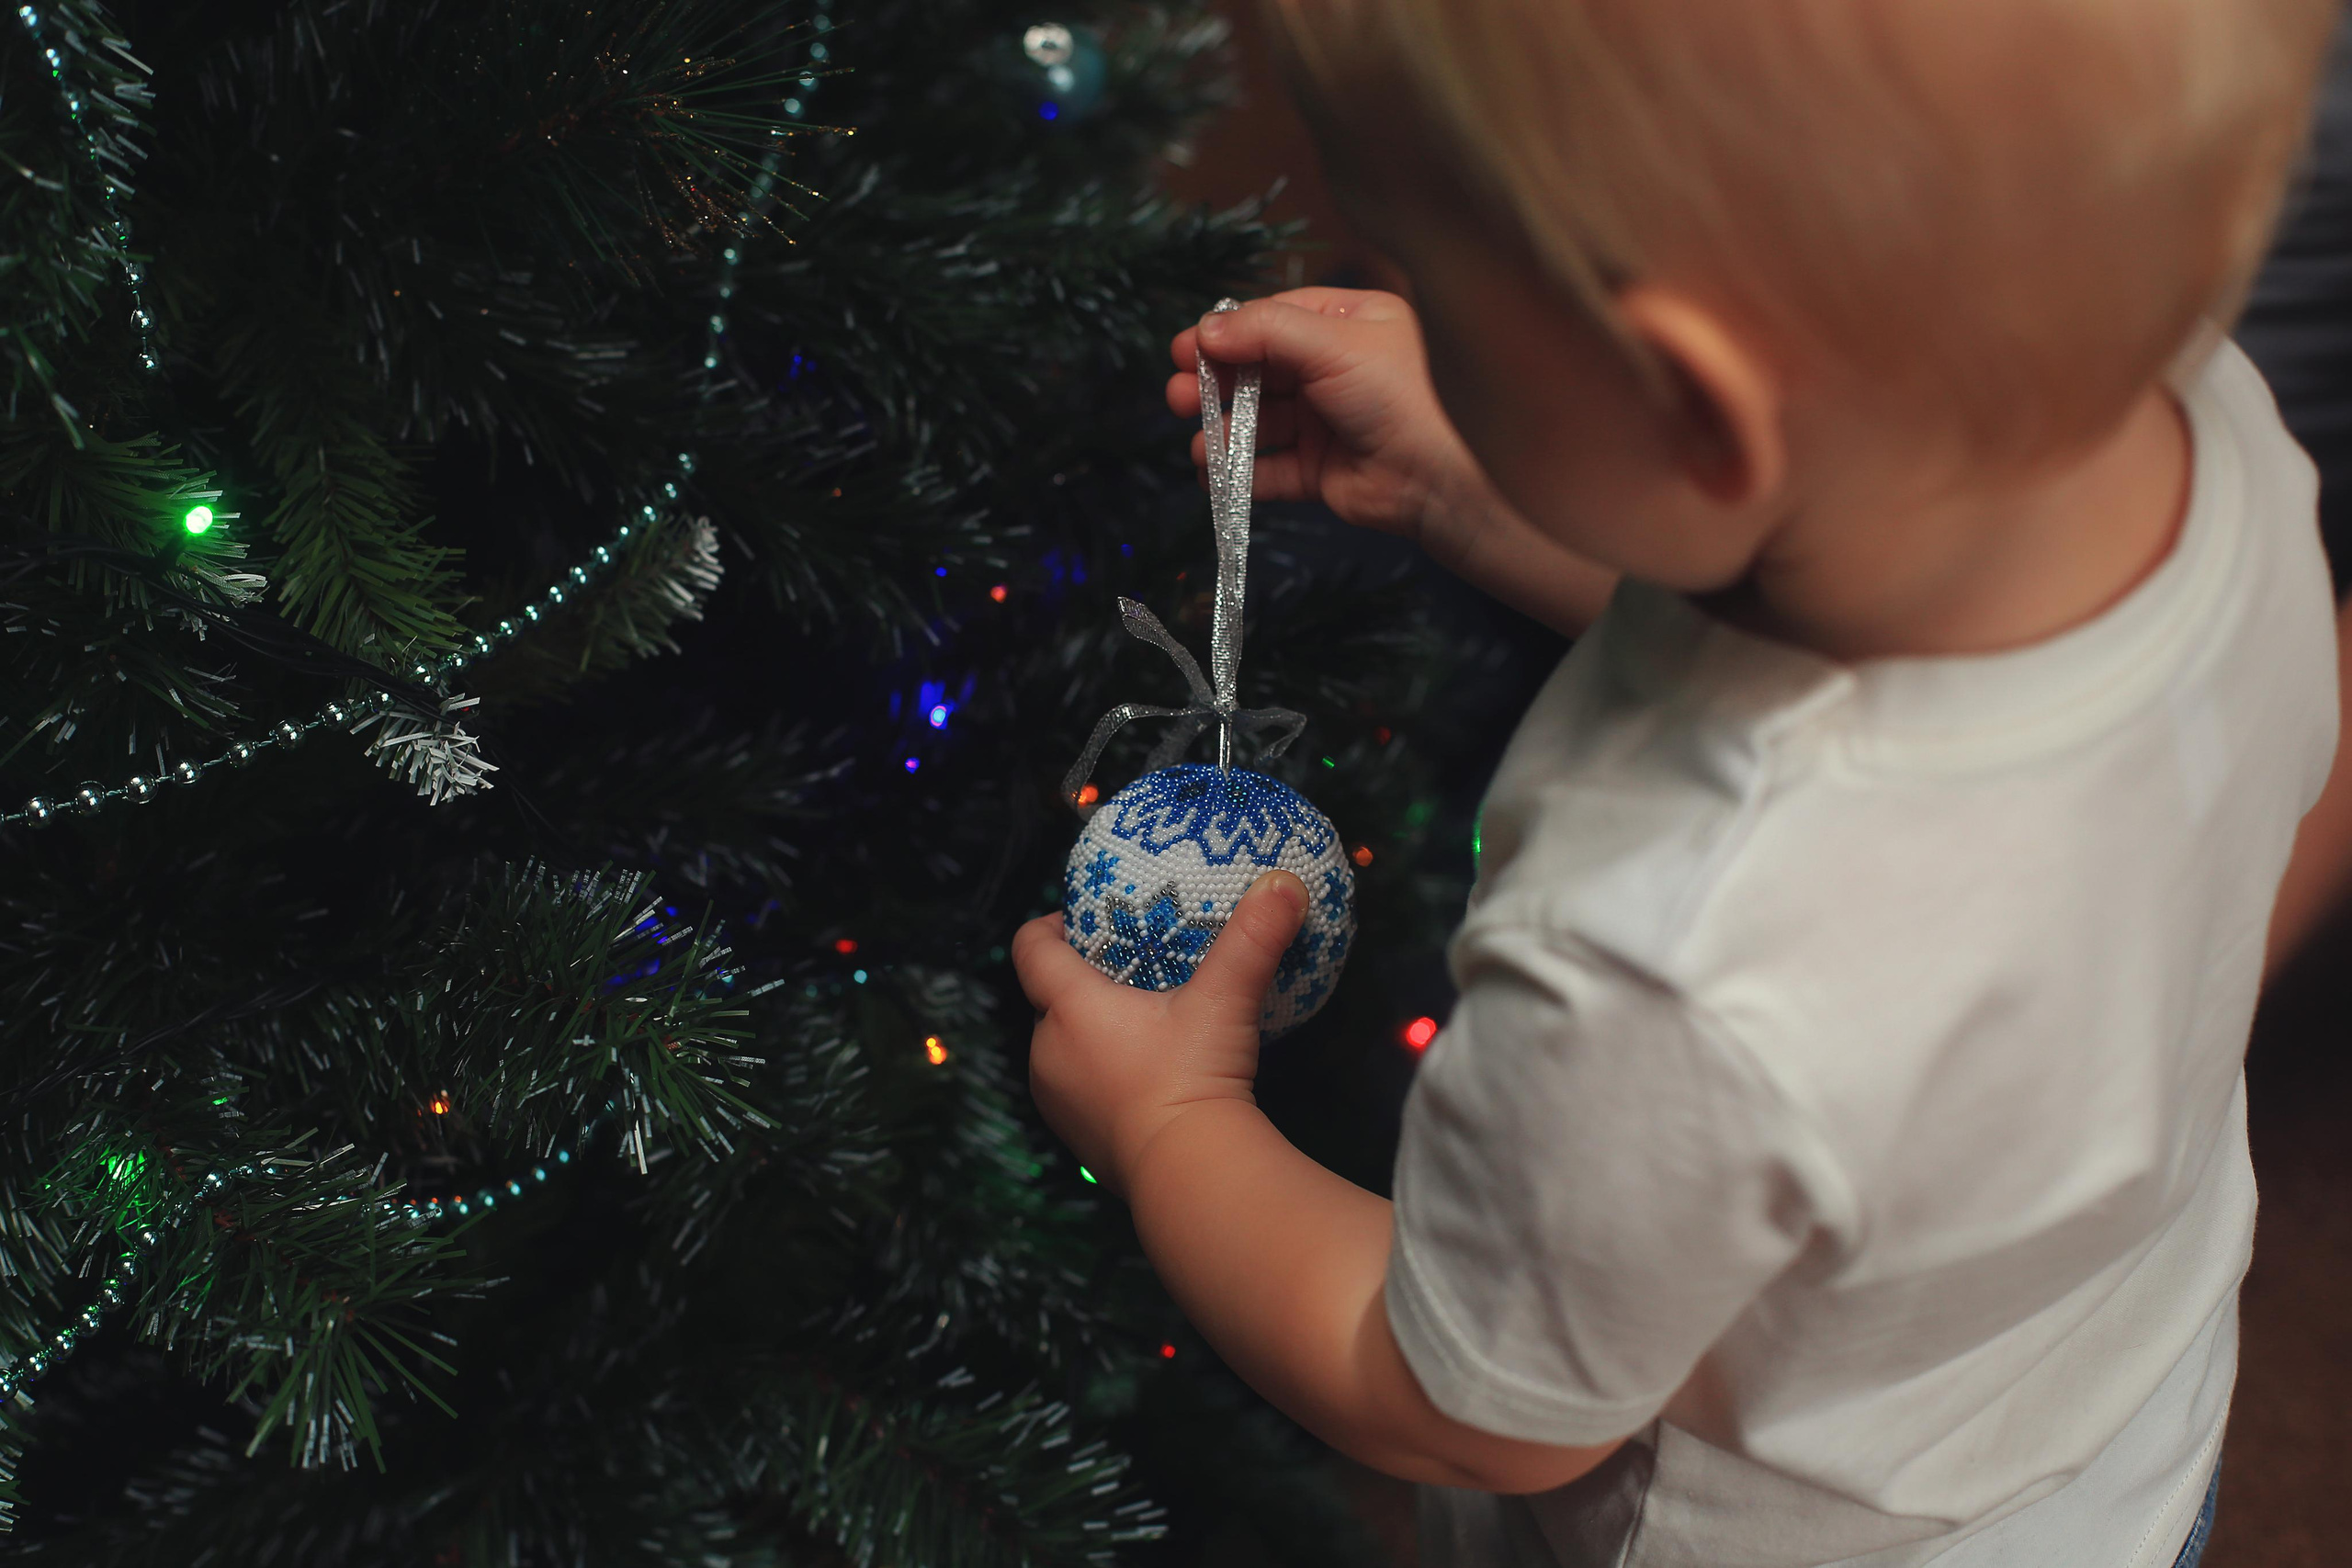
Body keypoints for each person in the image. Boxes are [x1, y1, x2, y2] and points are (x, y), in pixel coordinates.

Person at [1010, 2, 2343, 1565]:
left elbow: (1466, 1403)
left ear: (1692, 405)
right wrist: (1480, 474)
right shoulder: (2214, 446)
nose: (1402, 303)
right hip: (2103, 1468)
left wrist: (1172, 1121)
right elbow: (1825, 675)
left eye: (1432, 287)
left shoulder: (1675, 962)